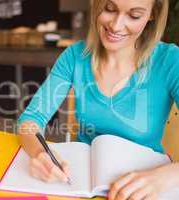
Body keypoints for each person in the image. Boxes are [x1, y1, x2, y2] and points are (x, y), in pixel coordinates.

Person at [17, 0, 179, 199]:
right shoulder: (75, 56)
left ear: (153, 14)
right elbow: (30, 120)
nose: (116, 25)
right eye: (109, 9)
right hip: (81, 185)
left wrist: (164, 178)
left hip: (146, 186)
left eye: (134, 16)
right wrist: (40, 154)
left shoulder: (170, 61)